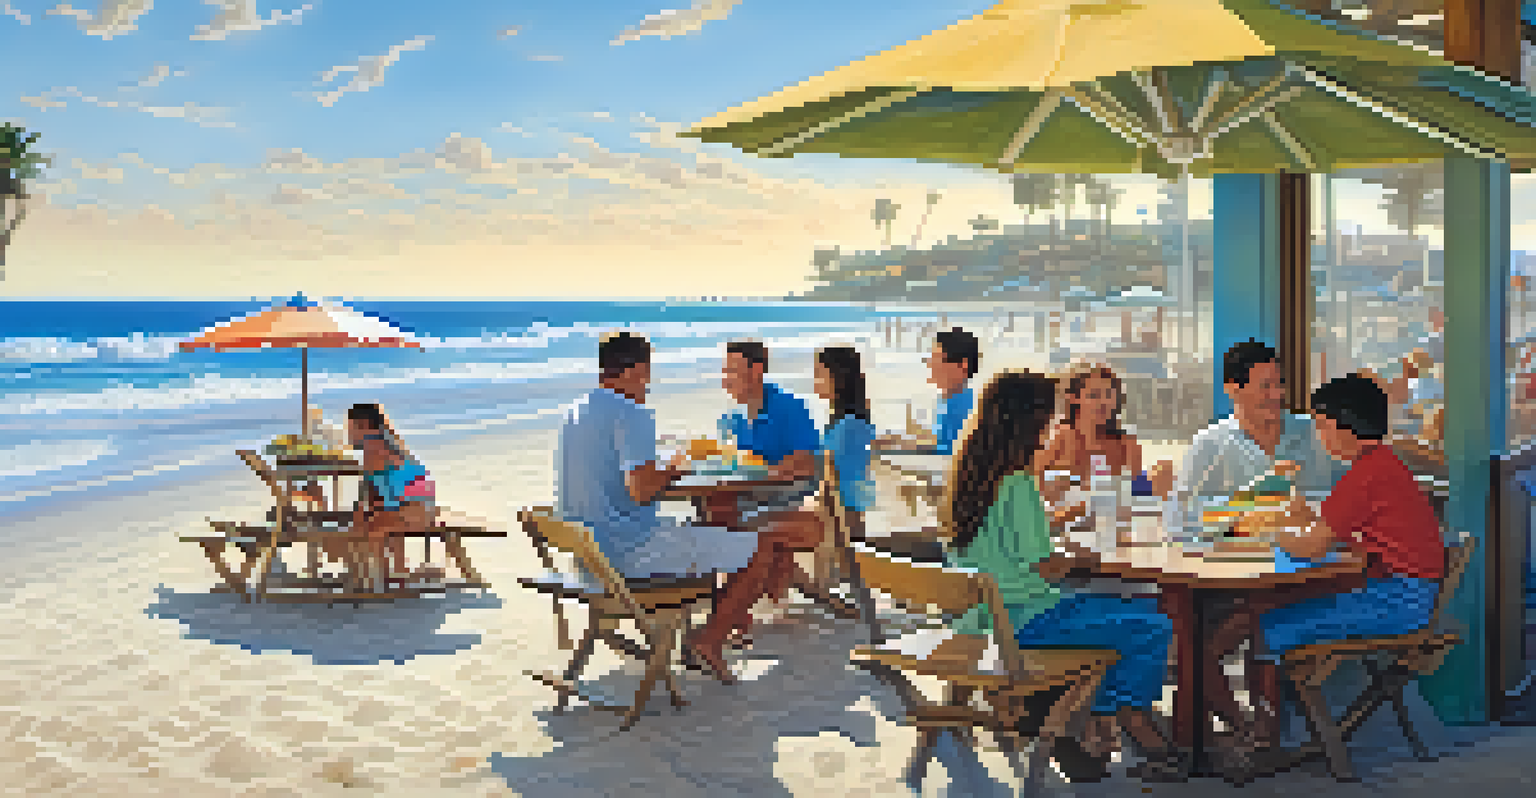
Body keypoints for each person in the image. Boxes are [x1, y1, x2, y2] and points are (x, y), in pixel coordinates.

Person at [944, 370, 1192, 783]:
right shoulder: (1018, 484)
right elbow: (1045, 566)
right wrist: (1083, 559)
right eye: (1046, 421)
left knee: (1128, 610)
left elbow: (1016, 555)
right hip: (1023, 621)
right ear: (1029, 423)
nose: (1048, 431)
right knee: (1152, 626)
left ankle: (1090, 724)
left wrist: (1066, 555)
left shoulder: (970, 476)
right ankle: (1126, 720)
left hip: (982, 617)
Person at [1203, 374, 1446, 757]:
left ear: (1340, 425)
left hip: (1395, 602)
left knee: (1260, 622)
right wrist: (1303, 518)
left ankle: (1261, 735)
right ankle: (1249, 725)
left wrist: (1266, 530)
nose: (1319, 435)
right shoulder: (1381, 465)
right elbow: (1336, 530)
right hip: (1401, 594)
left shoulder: (1366, 476)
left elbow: (1313, 547)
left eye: (1320, 425)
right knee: (1250, 616)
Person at [554, 333, 814, 684]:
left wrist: (660, 470)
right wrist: (672, 470)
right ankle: (708, 641)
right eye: (647, 374)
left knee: (712, 531)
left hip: (589, 559)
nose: (648, 383)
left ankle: (715, 625)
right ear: (637, 370)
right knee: (759, 549)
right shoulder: (631, 413)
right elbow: (643, 489)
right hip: (630, 554)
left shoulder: (575, 412)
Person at [1160, 340, 1345, 507]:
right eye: (1266, 386)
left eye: (1279, 384)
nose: (1277, 394)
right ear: (1232, 388)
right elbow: (1181, 517)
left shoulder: (1319, 432)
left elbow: (1356, 492)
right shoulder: (1209, 445)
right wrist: (1252, 499)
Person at [347, 403, 436, 584]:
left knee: (367, 526)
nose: (348, 435)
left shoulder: (373, 446)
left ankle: (378, 578)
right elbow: (379, 493)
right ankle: (395, 570)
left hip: (415, 512)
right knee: (377, 516)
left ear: (363, 425)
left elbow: (366, 492)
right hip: (422, 508)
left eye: (350, 428)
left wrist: (355, 520)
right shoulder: (387, 440)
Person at [875, 327, 979, 454]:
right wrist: (898, 441)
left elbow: (949, 451)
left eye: (937, 360)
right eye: (930, 359)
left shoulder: (966, 405)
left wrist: (896, 447)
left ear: (962, 366)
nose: (930, 365)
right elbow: (941, 440)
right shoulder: (948, 400)